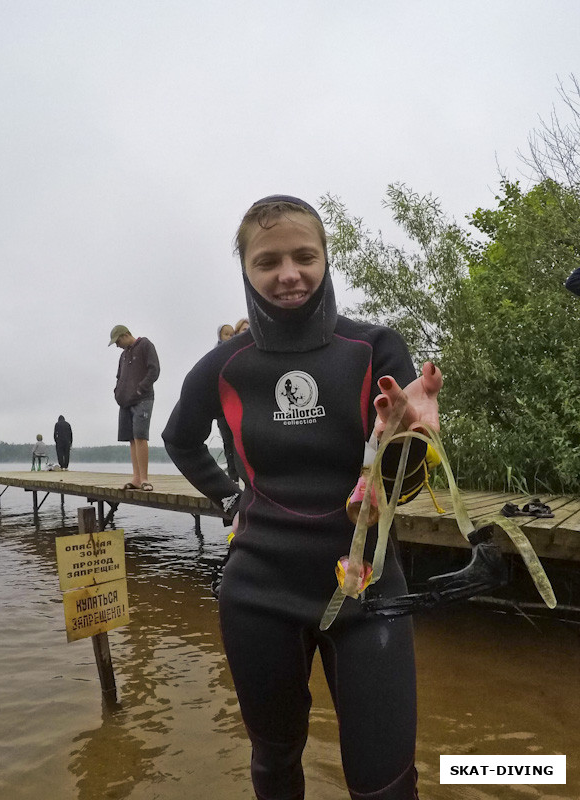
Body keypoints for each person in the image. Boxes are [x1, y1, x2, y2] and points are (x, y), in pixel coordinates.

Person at [162, 196, 441, 800]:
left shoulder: (375, 349)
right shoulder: (222, 366)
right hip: (259, 592)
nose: (288, 273)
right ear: (246, 270)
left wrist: (410, 441)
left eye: (303, 256)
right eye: (268, 261)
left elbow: (399, 488)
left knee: (386, 784)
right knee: (274, 762)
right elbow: (179, 439)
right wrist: (231, 501)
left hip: (366, 588)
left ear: (324, 259)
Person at [109, 324, 160, 491]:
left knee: (140, 436)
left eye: (117, 341)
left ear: (125, 335)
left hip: (143, 399)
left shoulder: (145, 345)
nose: (117, 345)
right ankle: (136, 478)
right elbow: (119, 377)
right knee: (131, 439)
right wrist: (118, 393)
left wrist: (140, 388)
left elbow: (154, 370)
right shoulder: (123, 356)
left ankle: (145, 479)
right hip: (125, 402)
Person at [216, 324, 239, 481]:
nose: (230, 337)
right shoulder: (215, 356)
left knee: (239, 442)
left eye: (232, 334)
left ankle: (245, 477)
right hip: (222, 408)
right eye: (226, 334)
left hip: (238, 407)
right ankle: (233, 476)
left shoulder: (239, 353)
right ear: (219, 336)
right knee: (227, 442)